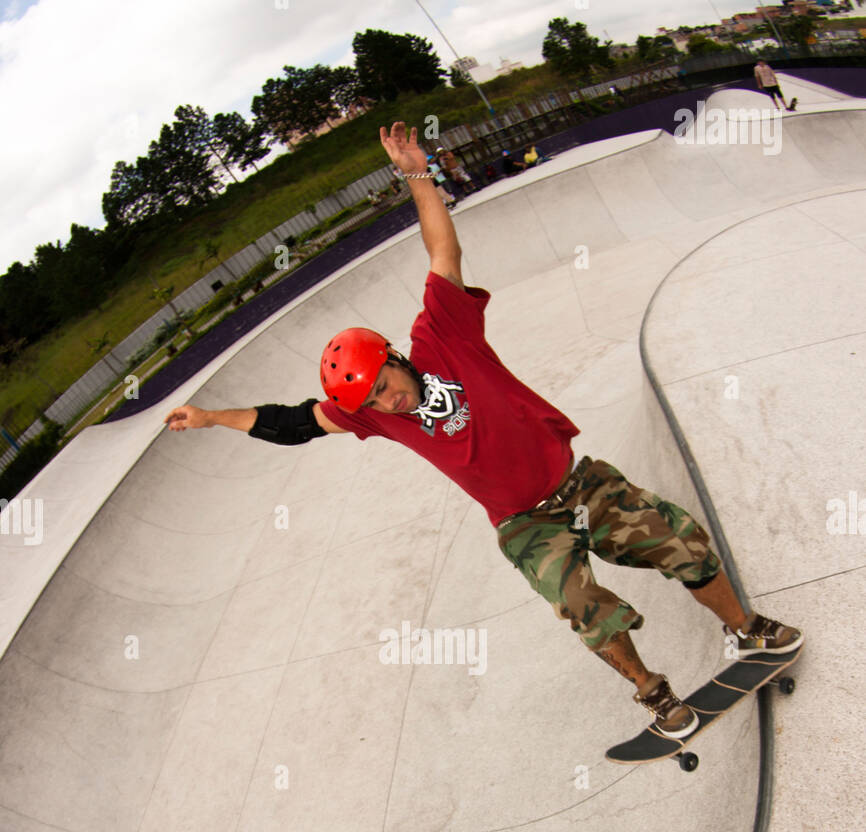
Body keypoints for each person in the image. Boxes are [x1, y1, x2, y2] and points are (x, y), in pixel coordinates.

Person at [164, 122, 803, 736]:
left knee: (683, 547)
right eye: (376, 402)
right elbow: (293, 422)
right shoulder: (369, 413)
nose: (390, 403)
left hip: (580, 486)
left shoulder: (442, 332)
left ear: (395, 357)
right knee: (583, 608)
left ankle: (745, 631)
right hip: (526, 525)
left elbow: (444, 249)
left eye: (387, 385)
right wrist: (213, 416)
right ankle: (652, 693)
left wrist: (418, 176)